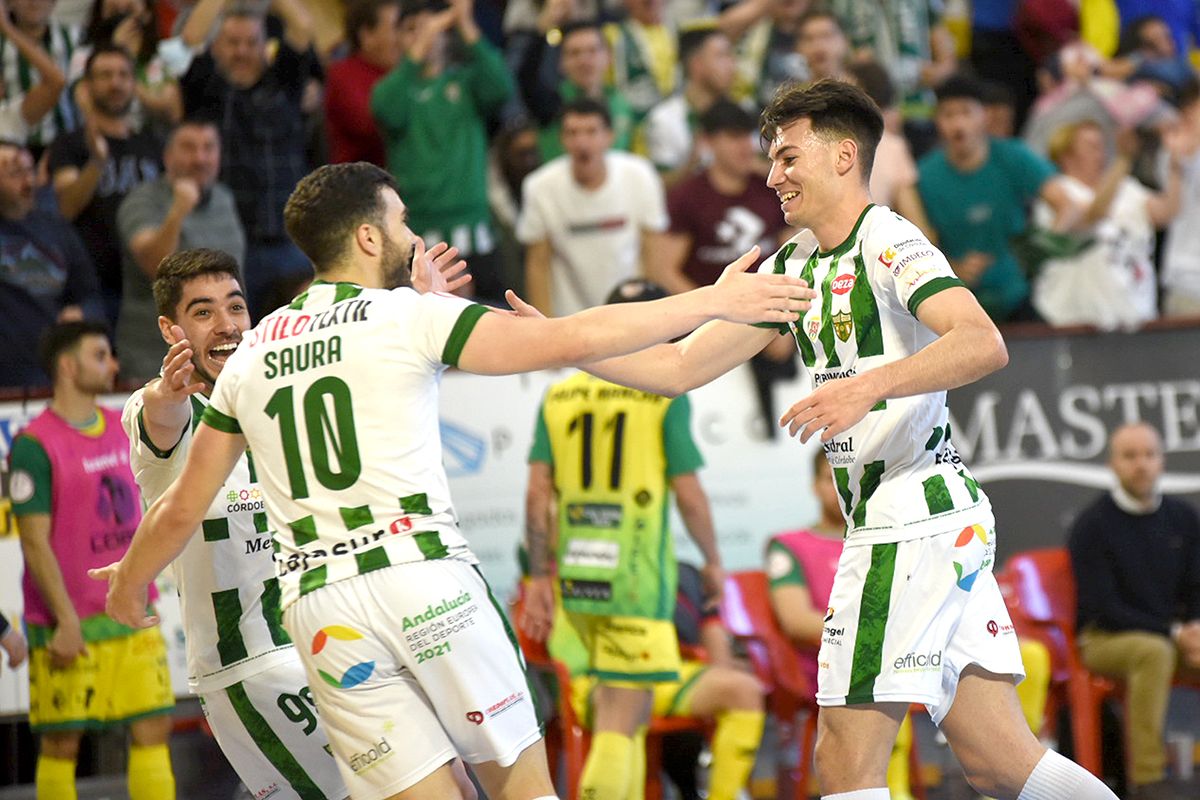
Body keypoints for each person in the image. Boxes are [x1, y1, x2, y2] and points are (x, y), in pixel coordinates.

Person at [91, 161, 810, 800]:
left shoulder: (254, 354)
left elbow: (181, 506)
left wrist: (128, 585)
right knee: (522, 785)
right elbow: (573, 337)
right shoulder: (409, 316)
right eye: (401, 220)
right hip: (421, 576)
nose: (410, 232)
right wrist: (709, 301)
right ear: (369, 238)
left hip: (321, 613)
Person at [508, 78, 1119, 800]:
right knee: (999, 763)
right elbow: (678, 367)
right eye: (770, 160)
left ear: (843, 157)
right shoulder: (794, 264)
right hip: (927, 518)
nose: (772, 176)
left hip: (908, 516)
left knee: (842, 762)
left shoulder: (889, 239)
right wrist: (560, 344)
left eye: (789, 157)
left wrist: (869, 385)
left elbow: (983, 342)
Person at [118, 250, 347, 800]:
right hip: (253, 667)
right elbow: (159, 415)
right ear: (170, 328)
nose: (226, 325)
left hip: (325, 643)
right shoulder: (159, 411)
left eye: (236, 307)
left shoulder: (275, 398)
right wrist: (164, 395)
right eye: (203, 313)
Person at [523, 277, 762, 800]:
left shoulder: (560, 393)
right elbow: (690, 494)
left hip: (578, 585)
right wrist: (715, 560)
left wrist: (540, 573)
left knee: (619, 717)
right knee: (621, 720)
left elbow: (539, 491)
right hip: (632, 579)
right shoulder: (659, 390)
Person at [9, 320, 176, 799]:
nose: (113, 364)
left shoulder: (124, 428)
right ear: (68, 366)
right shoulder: (34, 445)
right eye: (100, 354)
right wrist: (65, 621)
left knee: (153, 729)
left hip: (128, 614)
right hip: (68, 622)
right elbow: (34, 543)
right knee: (61, 745)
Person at [765, 448, 917, 800]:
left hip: (894, 659)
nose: (840, 488)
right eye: (829, 479)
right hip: (821, 668)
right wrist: (873, 639)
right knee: (877, 673)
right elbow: (796, 620)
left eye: (849, 479)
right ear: (814, 485)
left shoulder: (885, 541)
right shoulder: (788, 546)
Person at [1068, 422, 1200, 800]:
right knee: (1152, 651)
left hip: (1171, 634)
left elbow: (1196, 586)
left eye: (1148, 454)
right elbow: (1104, 608)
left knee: (1164, 647)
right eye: (1130, 456)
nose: (1141, 465)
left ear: (1162, 460)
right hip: (1104, 638)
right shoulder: (1092, 526)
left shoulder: (1183, 518)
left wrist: (1193, 628)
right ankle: (1148, 780)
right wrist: (1175, 634)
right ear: (1113, 464)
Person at [371, 0, 513, 305]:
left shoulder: (467, 82)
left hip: (474, 223)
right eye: (412, 30)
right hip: (420, 226)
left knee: (492, 311)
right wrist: (418, 50)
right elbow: (385, 110)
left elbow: (501, 87)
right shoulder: (392, 89)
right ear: (398, 39)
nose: (426, 35)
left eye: (434, 27)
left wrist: (466, 24)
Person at [179, 0, 315, 319]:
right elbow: (189, 40)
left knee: (302, 335)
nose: (241, 51)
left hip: (289, 238)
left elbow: (302, 28)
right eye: (232, 42)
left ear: (264, 44)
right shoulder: (205, 87)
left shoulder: (285, 80)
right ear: (217, 46)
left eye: (251, 42)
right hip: (229, 245)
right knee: (237, 340)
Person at [918, 73, 1079, 322]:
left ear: (984, 116)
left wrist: (1035, 254)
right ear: (937, 121)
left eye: (966, 112)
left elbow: (1067, 205)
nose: (958, 124)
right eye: (948, 114)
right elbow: (918, 242)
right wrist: (952, 267)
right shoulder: (925, 175)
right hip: (956, 305)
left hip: (1017, 295)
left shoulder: (1012, 156)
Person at [114, 118, 243, 380]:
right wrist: (178, 210)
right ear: (167, 156)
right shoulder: (142, 200)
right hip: (151, 357)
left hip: (217, 355)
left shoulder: (224, 199)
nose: (200, 158)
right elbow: (154, 264)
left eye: (209, 148)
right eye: (188, 148)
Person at [49, 43, 162, 328]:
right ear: (87, 86)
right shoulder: (69, 144)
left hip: (145, 284)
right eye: (105, 75)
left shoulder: (152, 144)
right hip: (92, 286)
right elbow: (66, 207)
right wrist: (97, 162)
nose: (116, 83)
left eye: (124, 75)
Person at [519, 97, 667, 315]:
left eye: (591, 132)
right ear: (561, 140)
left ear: (609, 136)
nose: (582, 143)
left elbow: (653, 252)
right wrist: (544, 325)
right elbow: (538, 264)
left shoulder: (640, 175)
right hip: (569, 318)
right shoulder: (540, 186)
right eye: (573, 133)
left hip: (630, 313)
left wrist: (655, 316)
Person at [1031, 120, 1184, 330]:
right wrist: (1123, 160)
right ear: (1066, 155)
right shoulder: (1058, 193)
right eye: (1092, 147)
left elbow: (1166, 212)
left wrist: (1176, 166)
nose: (1101, 153)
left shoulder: (1127, 187)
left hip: (1134, 314)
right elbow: (1093, 215)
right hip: (1074, 320)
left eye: (1102, 146)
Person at [652, 99, 788, 293]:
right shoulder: (687, 196)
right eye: (734, 137)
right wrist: (711, 310)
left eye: (748, 136)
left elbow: (794, 248)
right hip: (709, 313)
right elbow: (664, 271)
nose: (745, 146)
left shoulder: (771, 187)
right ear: (708, 141)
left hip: (769, 307)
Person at [0, 140, 101, 388]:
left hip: (53, 371)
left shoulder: (56, 229)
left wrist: (82, 313)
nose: (27, 182)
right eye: (14, 172)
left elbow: (90, 294)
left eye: (29, 171)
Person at [643, 25, 736, 186]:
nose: (732, 65)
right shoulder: (663, 119)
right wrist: (692, 166)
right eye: (722, 56)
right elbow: (659, 186)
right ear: (697, 64)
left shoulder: (742, 112)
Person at [324, 0, 401, 167]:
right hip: (358, 185)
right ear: (367, 35)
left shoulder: (410, 72)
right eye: (396, 28)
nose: (403, 38)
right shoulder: (343, 75)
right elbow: (370, 126)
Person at [0, 0, 67, 143]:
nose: (34, 2)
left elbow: (56, 81)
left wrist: (6, 27)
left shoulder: (8, 116)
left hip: (54, 146)